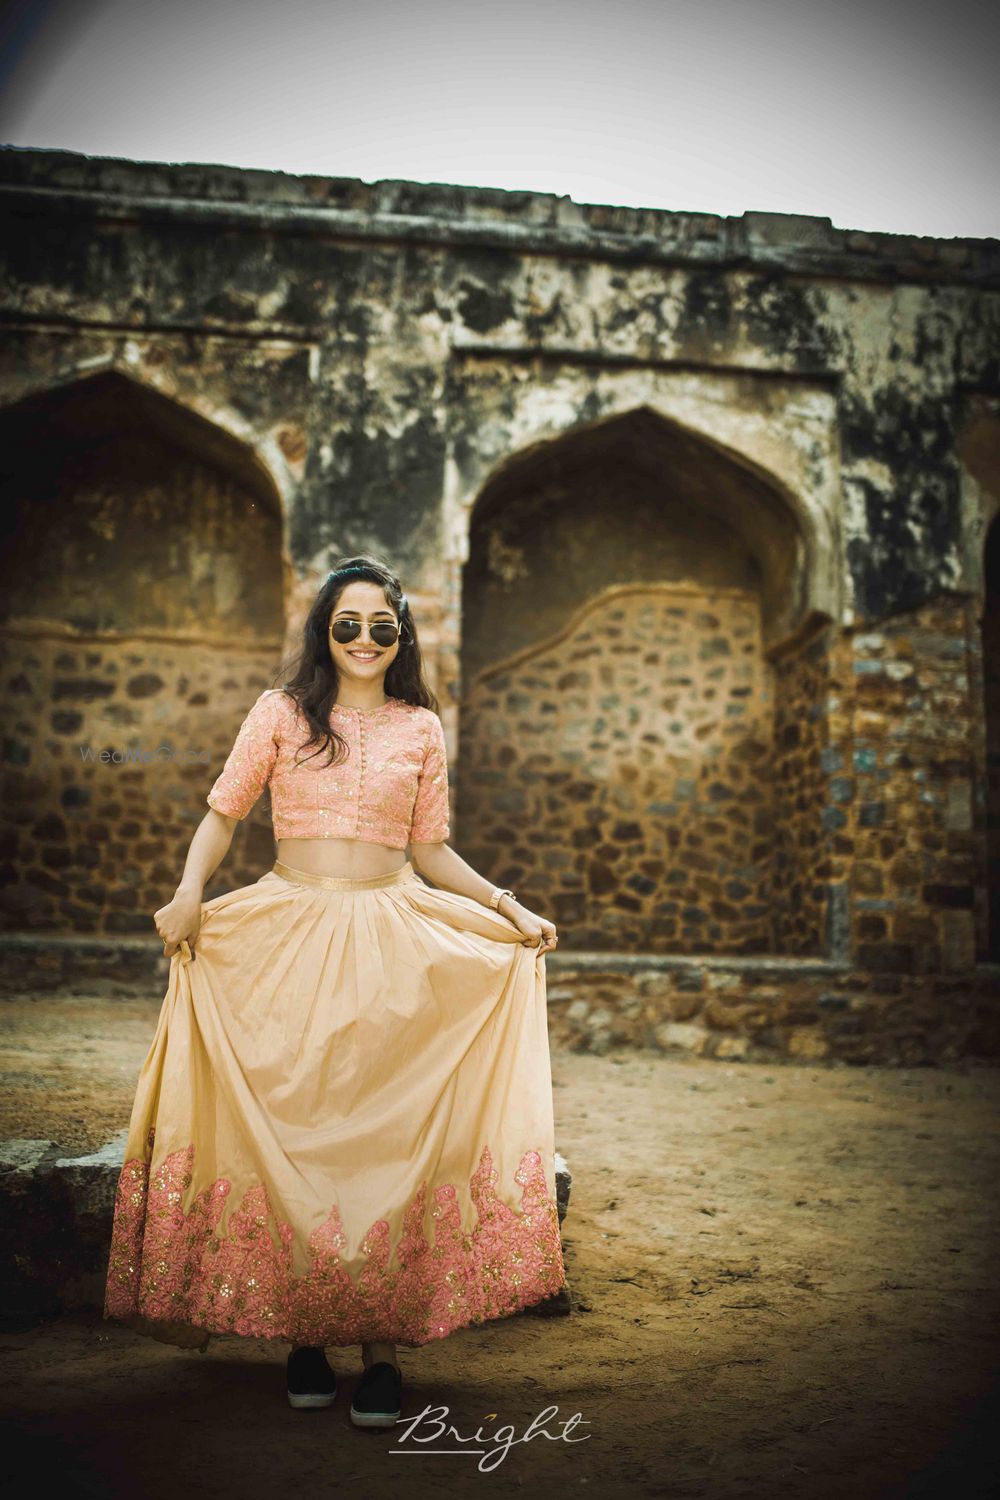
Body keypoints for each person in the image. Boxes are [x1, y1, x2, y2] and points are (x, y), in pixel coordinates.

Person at [103, 554, 566, 1430]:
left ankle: (383, 1351)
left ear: (401, 636)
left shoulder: (420, 728)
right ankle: (303, 1338)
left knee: (387, 1140)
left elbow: (430, 850)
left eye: (381, 626)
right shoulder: (280, 714)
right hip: (286, 935)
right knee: (299, 1130)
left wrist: (509, 908)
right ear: (324, 630)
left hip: (393, 938)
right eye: (346, 624)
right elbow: (224, 813)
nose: (363, 639)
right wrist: (190, 890)